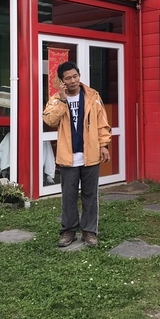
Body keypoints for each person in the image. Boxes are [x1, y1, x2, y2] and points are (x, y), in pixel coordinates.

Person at [42, 61, 111, 247]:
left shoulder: (92, 96)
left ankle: (89, 231)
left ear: (79, 76)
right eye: (68, 78)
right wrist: (63, 100)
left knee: (90, 196)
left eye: (75, 76)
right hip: (68, 157)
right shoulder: (56, 99)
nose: (73, 80)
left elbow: (102, 122)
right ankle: (69, 230)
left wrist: (104, 145)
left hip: (91, 156)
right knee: (69, 197)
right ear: (62, 81)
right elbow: (49, 120)